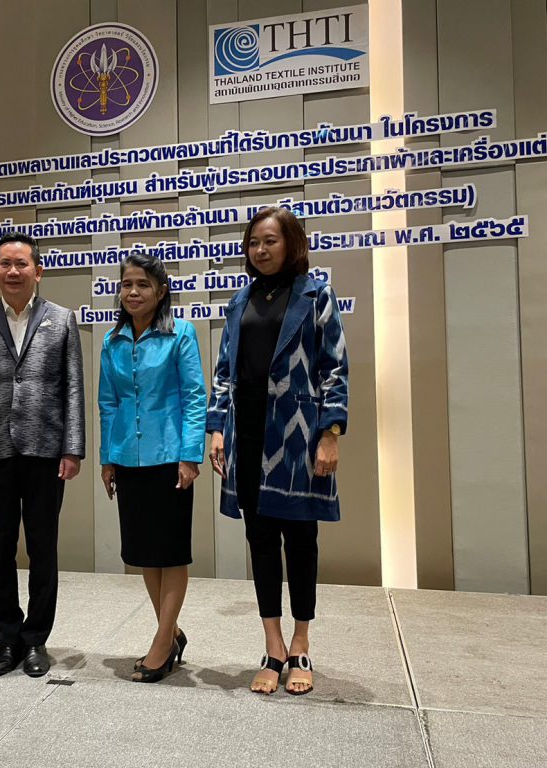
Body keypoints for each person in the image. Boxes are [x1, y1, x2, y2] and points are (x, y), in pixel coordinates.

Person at [207, 208, 348, 696]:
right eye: (253, 242)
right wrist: (216, 429)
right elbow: (224, 371)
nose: (260, 250)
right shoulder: (239, 299)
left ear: (291, 243)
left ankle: (301, 643)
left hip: (297, 436)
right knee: (261, 541)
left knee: (301, 541)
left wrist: (330, 433)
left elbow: (334, 369)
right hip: (246, 436)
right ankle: (273, 646)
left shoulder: (316, 295)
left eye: (269, 240)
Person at [0, 232, 85, 678]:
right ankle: (7, 640)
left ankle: (36, 640)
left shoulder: (62, 320)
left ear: (37, 270)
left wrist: (72, 447)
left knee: (43, 547)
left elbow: (73, 387)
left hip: (46, 451)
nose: (13, 271)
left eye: (21, 264)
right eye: (5, 264)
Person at [98, 253, 207, 683]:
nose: (133, 292)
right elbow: (108, 403)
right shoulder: (112, 341)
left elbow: (195, 397)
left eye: (142, 284)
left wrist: (190, 455)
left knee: (171, 551)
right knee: (145, 552)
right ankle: (171, 631)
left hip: (170, 457)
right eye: (127, 284)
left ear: (161, 291)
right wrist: (107, 457)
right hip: (128, 458)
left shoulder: (181, 334)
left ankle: (161, 643)